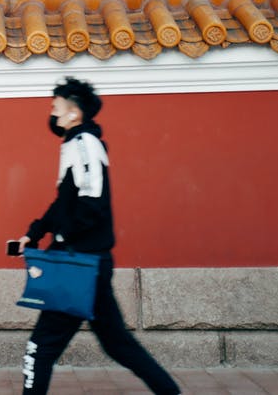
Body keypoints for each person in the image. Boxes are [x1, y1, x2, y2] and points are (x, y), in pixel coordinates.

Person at [15, 77, 181, 395]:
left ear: (74, 112)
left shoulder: (85, 144)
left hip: (80, 264)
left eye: (56, 107)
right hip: (89, 262)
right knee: (117, 344)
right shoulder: (74, 143)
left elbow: (93, 202)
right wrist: (34, 233)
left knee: (40, 349)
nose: (52, 112)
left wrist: (63, 240)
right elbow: (64, 202)